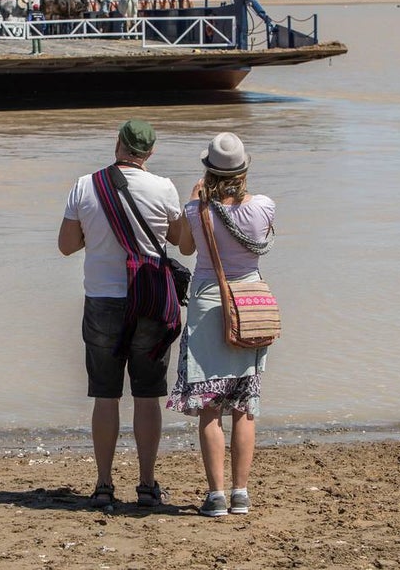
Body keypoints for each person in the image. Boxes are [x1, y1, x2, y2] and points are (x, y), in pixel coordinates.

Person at [58, 120, 184, 509]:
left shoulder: (85, 185)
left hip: (102, 300)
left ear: (118, 144)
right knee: (147, 396)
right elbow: (181, 241)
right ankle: (146, 485)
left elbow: (66, 245)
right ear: (151, 152)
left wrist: (94, 234)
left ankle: (103, 485)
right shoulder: (164, 188)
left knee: (105, 396)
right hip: (150, 301)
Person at [167, 132, 275, 518]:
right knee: (244, 407)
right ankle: (240, 494)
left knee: (210, 408)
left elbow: (184, 247)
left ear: (208, 171)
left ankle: (216, 496)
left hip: (208, 308)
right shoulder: (264, 207)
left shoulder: (196, 211)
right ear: (243, 171)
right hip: (250, 308)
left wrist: (194, 202)